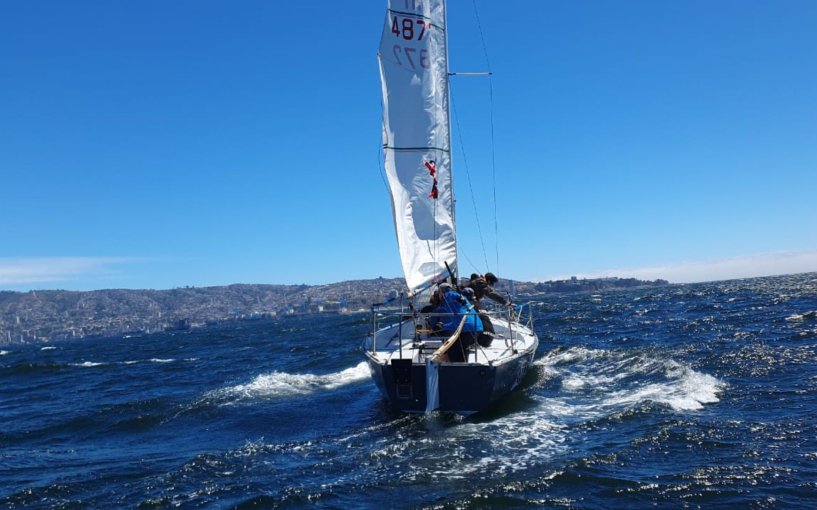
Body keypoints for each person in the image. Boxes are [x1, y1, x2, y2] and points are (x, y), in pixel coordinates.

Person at [426, 284, 483, 362]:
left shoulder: (448, 296)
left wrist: (457, 297)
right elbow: (457, 322)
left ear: (441, 292)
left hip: (466, 330)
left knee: (451, 351)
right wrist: (443, 326)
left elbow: (451, 294)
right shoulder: (459, 302)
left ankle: (453, 368)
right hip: (477, 329)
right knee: (459, 350)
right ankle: (463, 366)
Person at [465, 272, 510, 344]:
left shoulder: (477, 281)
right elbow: (491, 294)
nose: (491, 285)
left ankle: (474, 339)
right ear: (489, 281)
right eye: (492, 283)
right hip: (466, 303)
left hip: (465, 302)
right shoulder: (481, 283)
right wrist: (506, 302)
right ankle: (482, 340)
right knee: (483, 318)